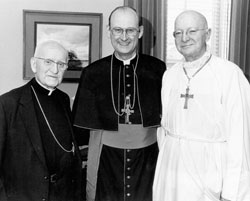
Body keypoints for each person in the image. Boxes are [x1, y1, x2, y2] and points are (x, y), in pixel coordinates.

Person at [153, 10, 250, 201]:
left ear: (208, 34)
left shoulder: (229, 74)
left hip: (209, 175)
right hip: (170, 172)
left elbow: (241, 137)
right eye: (178, 32)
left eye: (192, 31)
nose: (184, 38)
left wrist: (233, 192)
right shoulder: (170, 75)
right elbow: (163, 129)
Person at [72, 6, 166, 201]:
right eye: (118, 30)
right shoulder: (92, 73)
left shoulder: (158, 69)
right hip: (106, 161)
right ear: (109, 31)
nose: (124, 37)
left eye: (130, 30)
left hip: (148, 160)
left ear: (139, 32)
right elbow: (80, 133)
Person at [0, 40, 83, 201]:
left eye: (61, 64)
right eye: (48, 62)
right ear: (34, 64)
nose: (55, 69)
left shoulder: (63, 99)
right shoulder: (7, 104)